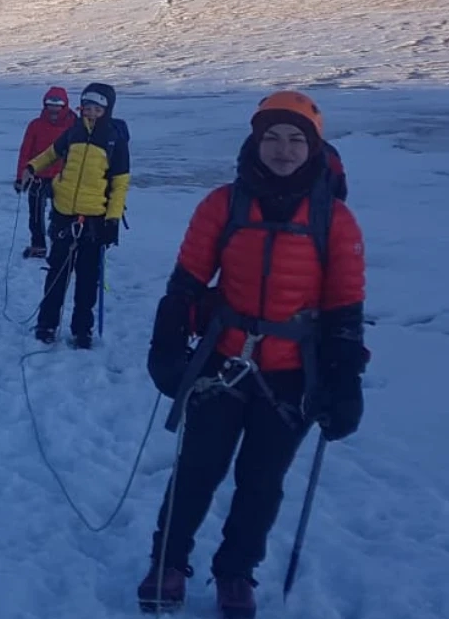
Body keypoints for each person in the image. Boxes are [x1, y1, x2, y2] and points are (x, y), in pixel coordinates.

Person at [137, 90, 367, 619]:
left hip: (292, 376)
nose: (283, 150)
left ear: (313, 148)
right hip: (223, 363)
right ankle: (168, 562)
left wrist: (345, 383)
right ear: (255, 141)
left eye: (294, 140)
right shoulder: (223, 204)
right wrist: (166, 347)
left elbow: (345, 312)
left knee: (261, 482)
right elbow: (186, 283)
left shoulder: (336, 220)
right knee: (197, 469)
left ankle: (236, 573)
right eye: (272, 138)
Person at [20, 83, 129, 348]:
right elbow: (50, 154)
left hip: (95, 221)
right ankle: (47, 324)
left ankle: (82, 330)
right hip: (63, 215)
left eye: (97, 108)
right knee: (57, 273)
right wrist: (32, 167)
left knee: (87, 280)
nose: (90, 113)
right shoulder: (73, 132)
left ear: (107, 109)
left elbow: (120, 184)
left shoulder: (115, 140)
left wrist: (113, 219)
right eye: (87, 107)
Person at [15, 86, 78, 258]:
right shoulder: (35, 125)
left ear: (65, 105)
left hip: (64, 178)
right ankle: (39, 245)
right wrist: (21, 177)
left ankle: (63, 245)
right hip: (38, 177)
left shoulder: (75, 124)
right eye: (50, 103)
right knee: (35, 215)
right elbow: (25, 151)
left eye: (58, 104)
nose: (54, 108)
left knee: (63, 215)